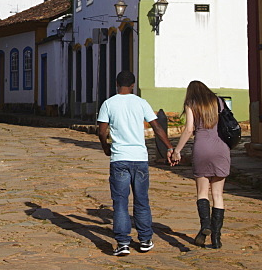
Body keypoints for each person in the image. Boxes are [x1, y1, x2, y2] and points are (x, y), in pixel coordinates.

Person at [97, 70, 174, 256]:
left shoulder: (109, 103)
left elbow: (101, 131)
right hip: (139, 158)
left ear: (117, 84)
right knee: (141, 201)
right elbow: (156, 127)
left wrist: (106, 147)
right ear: (133, 85)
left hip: (120, 158)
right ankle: (145, 239)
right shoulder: (141, 103)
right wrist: (170, 147)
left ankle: (123, 242)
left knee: (121, 202)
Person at [168, 80, 231, 249]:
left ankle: (205, 226)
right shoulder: (219, 101)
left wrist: (177, 150)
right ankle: (216, 239)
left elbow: (189, 129)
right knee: (218, 195)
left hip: (202, 148)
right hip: (221, 149)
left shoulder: (191, 103)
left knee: (202, 192)